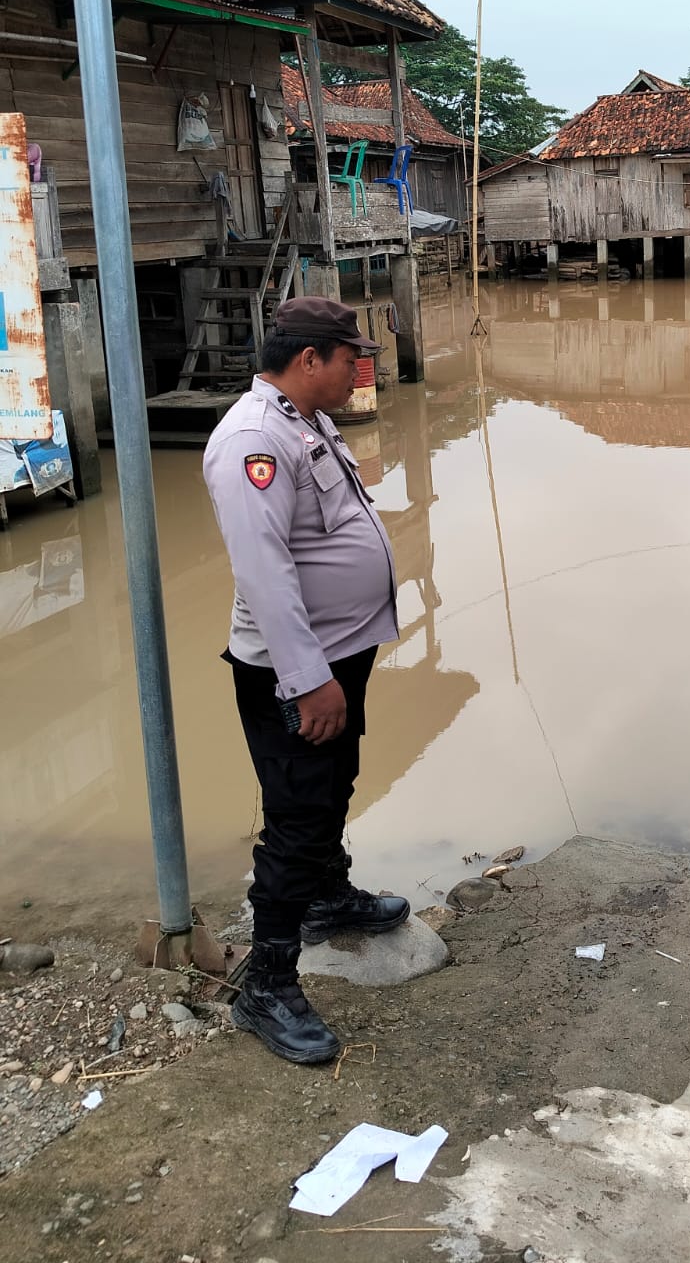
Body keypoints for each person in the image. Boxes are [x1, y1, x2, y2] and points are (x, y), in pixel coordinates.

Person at [203, 298, 409, 1066]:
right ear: (308, 359)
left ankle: (328, 894)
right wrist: (306, 679)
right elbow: (263, 571)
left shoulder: (305, 420)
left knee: (335, 781)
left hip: (337, 654)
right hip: (297, 668)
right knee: (296, 814)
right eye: (348, 356)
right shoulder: (252, 440)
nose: (361, 368)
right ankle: (268, 984)